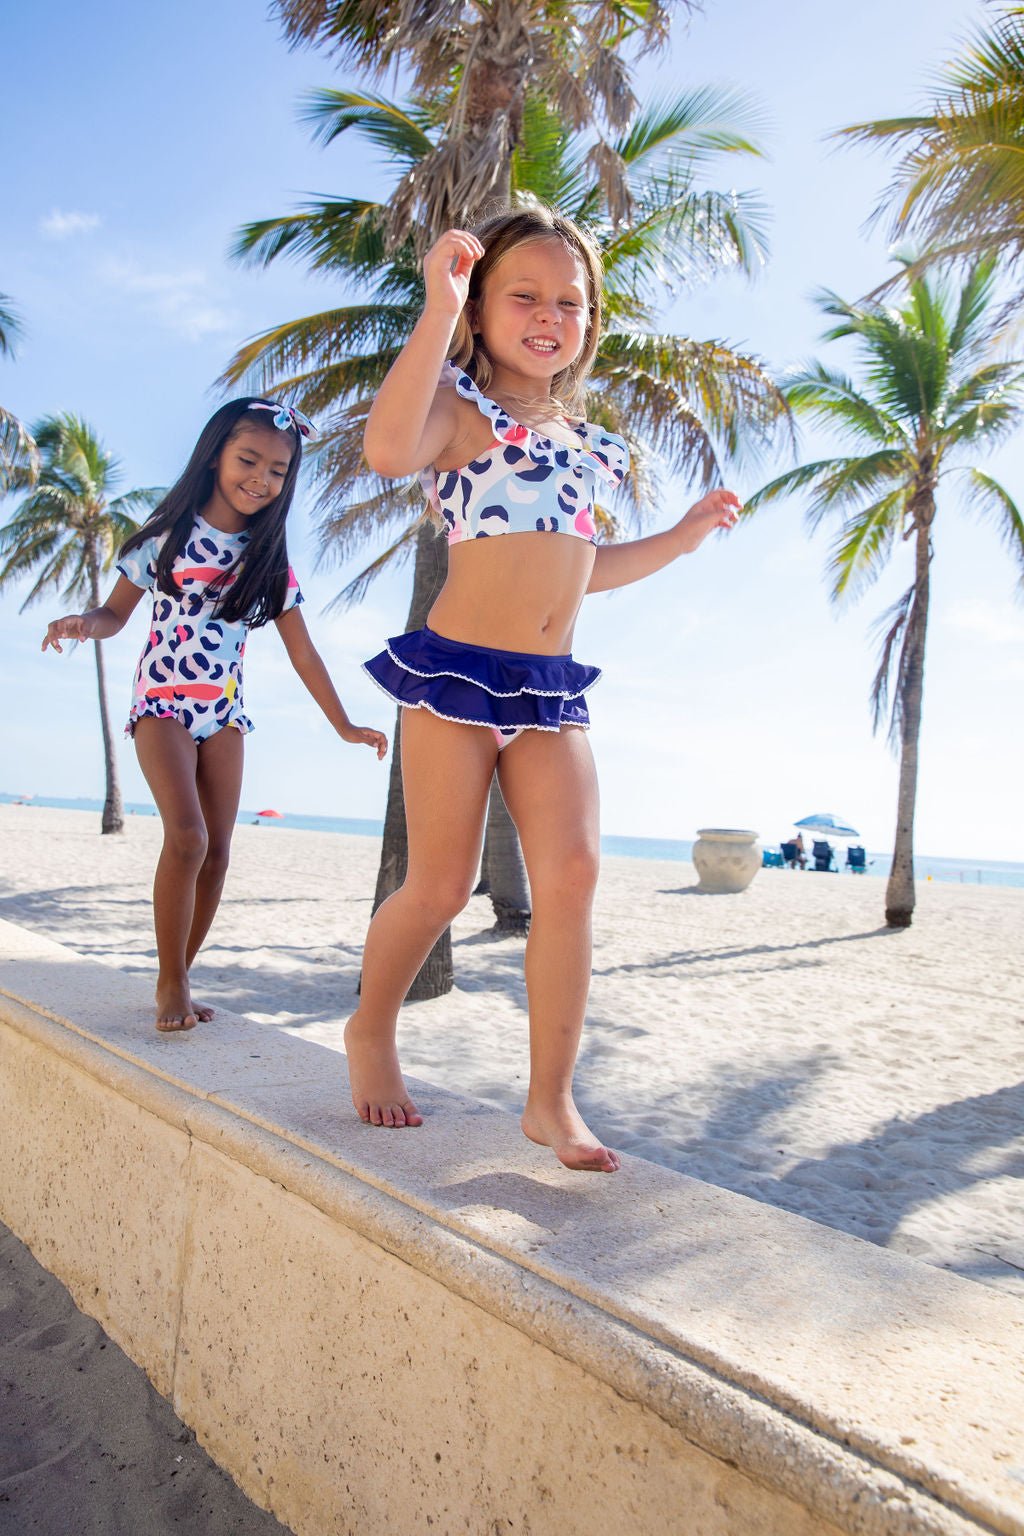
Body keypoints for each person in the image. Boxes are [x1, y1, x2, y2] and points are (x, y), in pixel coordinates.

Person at [351, 205, 741, 1173]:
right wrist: (435, 308)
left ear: (589, 322)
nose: (547, 313)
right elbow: (387, 450)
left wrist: (683, 539)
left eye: (569, 300)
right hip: (453, 680)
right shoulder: (455, 409)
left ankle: (549, 1099)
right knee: (439, 883)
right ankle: (370, 1028)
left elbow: (583, 567)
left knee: (572, 877)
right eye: (521, 294)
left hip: (548, 693)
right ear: (481, 309)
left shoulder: (585, 441)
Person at [43, 398, 387, 1032]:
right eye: (248, 460)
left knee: (220, 852)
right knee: (189, 838)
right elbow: (115, 614)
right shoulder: (166, 537)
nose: (261, 478)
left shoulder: (266, 559)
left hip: (223, 714)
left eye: (278, 471)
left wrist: (343, 724)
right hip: (163, 706)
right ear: (215, 456)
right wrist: (82, 623)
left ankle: (181, 973)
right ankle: (169, 983)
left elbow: (303, 651)